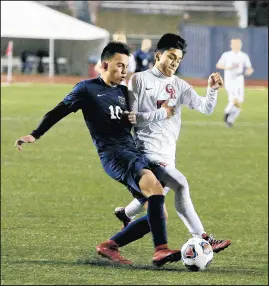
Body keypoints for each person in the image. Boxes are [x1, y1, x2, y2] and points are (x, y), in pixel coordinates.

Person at [14, 41, 186, 267]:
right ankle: (160, 250)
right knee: (155, 189)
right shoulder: (86, 89)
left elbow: (140, 117)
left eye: (127, 66)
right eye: (120, 65)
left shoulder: (125, 92)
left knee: (158, 213)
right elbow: (59, 110)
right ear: (105, 64)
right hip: (114, 154)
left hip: (132, 152)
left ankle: (110, 245)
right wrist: (35, 134)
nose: (124, 71)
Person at [113, 33, 231, 254]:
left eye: (178, 60)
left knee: (159, 194)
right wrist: (161, 113)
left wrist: (212, 90)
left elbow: (205, 107)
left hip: (168, 153)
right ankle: (203, 238)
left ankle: (125, 216)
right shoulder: (139, 80)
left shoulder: (180, 85)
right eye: (171, 57)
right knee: (181, 185)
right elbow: (132, 117)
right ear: (158, 55)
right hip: (146, 152)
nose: (175, 63)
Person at [216, 37, 254, 127]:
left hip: (239, 80)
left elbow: (249, 68)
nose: (237, 45)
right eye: (235, 44)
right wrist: (227, 67)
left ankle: (230, 120)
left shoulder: (244, 56)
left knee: (239, 101)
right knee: (235, 99)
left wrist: (249, 71)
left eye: (239, 44)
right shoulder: (226, 55)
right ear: (231, 45)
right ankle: (227, 113)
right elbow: (218, 65)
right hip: (230, 80)